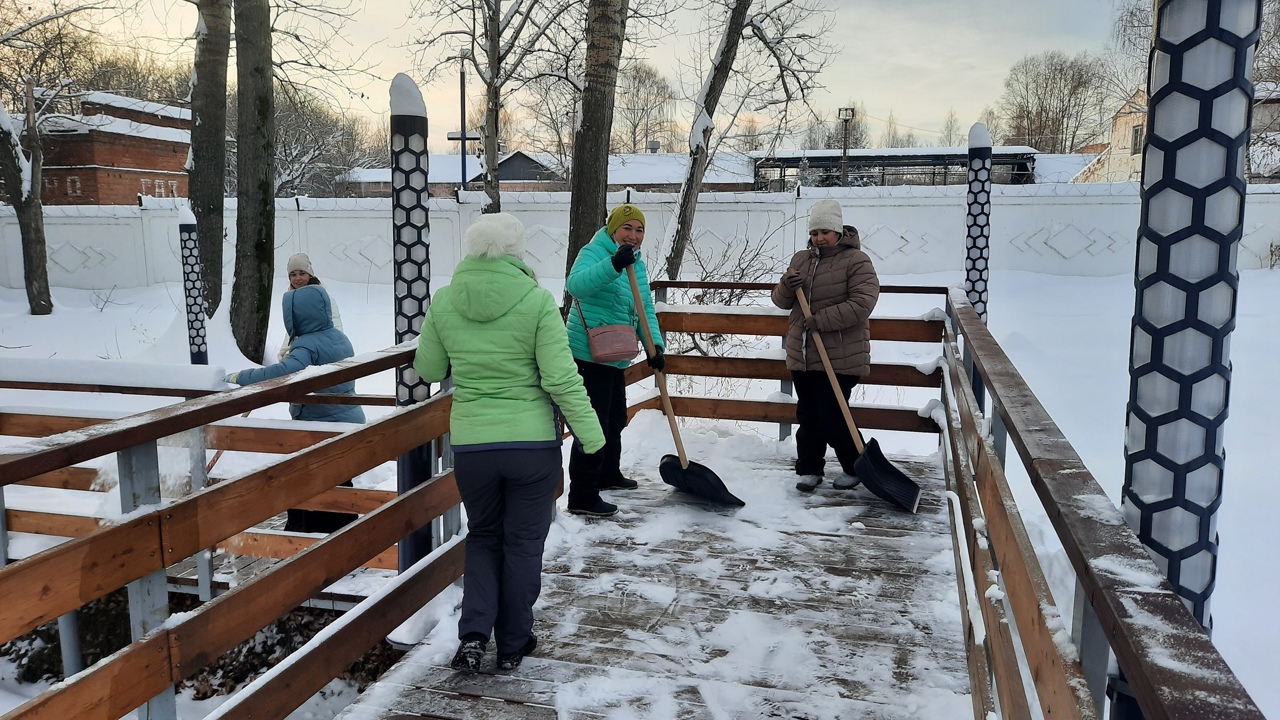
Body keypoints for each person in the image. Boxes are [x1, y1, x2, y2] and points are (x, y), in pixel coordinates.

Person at [413, 213, 605, 673]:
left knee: (483, 536)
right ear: (517, 252)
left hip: (474, 446)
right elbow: (560, 377)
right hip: (530, 446)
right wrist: (592, 435)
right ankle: (514, 643)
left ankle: (475, 635)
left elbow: (429, 369)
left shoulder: (444, 301)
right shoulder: (537, 301)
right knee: (522, 543)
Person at [225, 283, 364, 532]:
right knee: (338, 478)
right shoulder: (338, 337)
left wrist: (241, 377)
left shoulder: (306, 345)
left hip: (320, 424)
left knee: (303, 479)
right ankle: (342, 529)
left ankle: (304, 531)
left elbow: (284, 373)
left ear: (296, 315)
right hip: (346, 420)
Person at [771, 198, 880, 492]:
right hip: (804, 353)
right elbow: (780, 302)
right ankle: (809, 468)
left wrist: (821, 320)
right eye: (815, 232)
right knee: (808, 413)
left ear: (838, 232)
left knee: (832, 413)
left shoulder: (856, 261)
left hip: (840, 354)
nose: (819, 238)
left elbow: (862, 303)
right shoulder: (800, 260)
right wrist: (786, 287)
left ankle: (855, 466)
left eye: (825, 232)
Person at [564, 204, 665, 517]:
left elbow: (644, 307)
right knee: (592, 425)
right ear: (613, 229)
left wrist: (655, 347)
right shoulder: (593, 252)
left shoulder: (637, 263)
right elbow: (575, 285)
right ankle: (582, 496)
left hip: (616, 353)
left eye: (639, 230)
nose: (633, 236)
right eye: (627, 228)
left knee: (615, 419)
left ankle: (608, 474)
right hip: (588, 353)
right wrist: (613, 264)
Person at [278, 253, 342, 361]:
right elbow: (292, 331)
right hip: (300, 353)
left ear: (310, 275)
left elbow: (335, 328)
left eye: (302, 273)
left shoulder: (322, 298)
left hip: (321, 354)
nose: (297, 278)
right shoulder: (292, 299)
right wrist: (284, 352)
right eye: (293, 274)